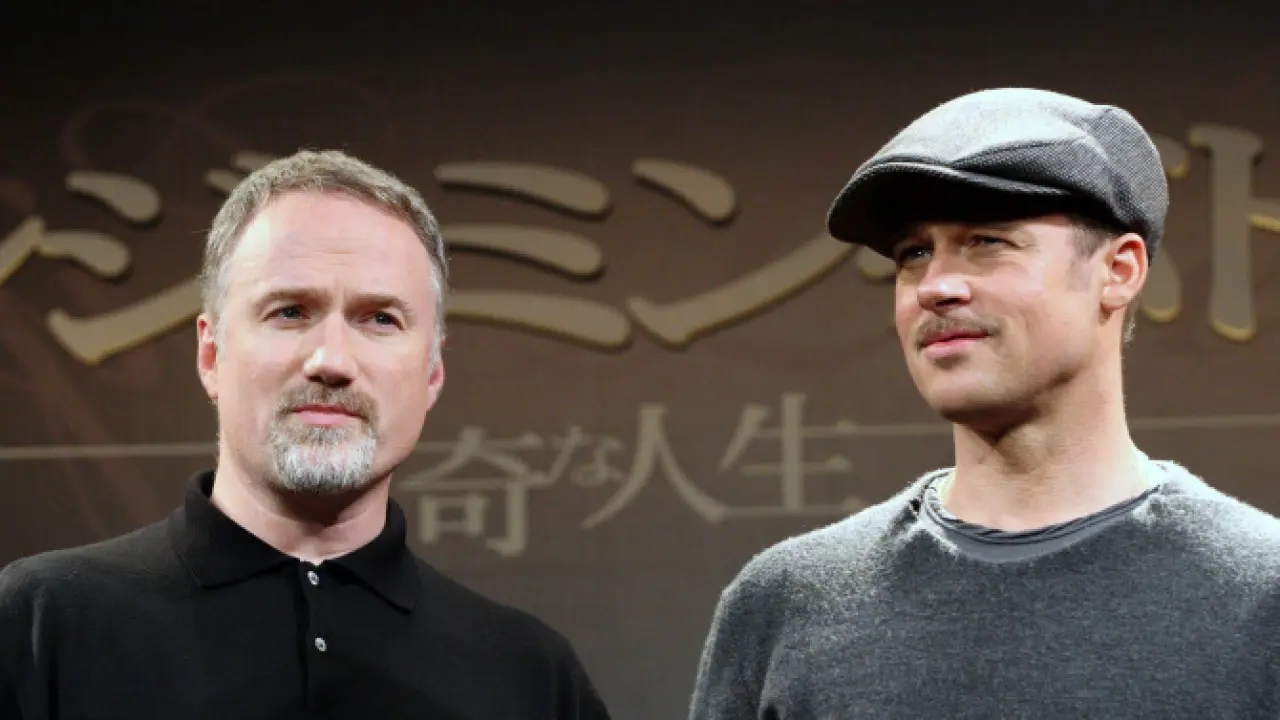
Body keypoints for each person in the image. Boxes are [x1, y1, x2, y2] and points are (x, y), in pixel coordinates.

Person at [687, 88, 1280, 718]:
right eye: (914, 253)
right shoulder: (785, 606)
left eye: (987, 242)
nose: (935, 286)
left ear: (1119, 270)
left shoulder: (1260, 597)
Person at [0, 150, 612, 719]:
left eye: (380, 319)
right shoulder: (40, 623)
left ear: (432, 373)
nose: (332, 360)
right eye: (290, 312)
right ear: (211, 355)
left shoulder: (530, 677)